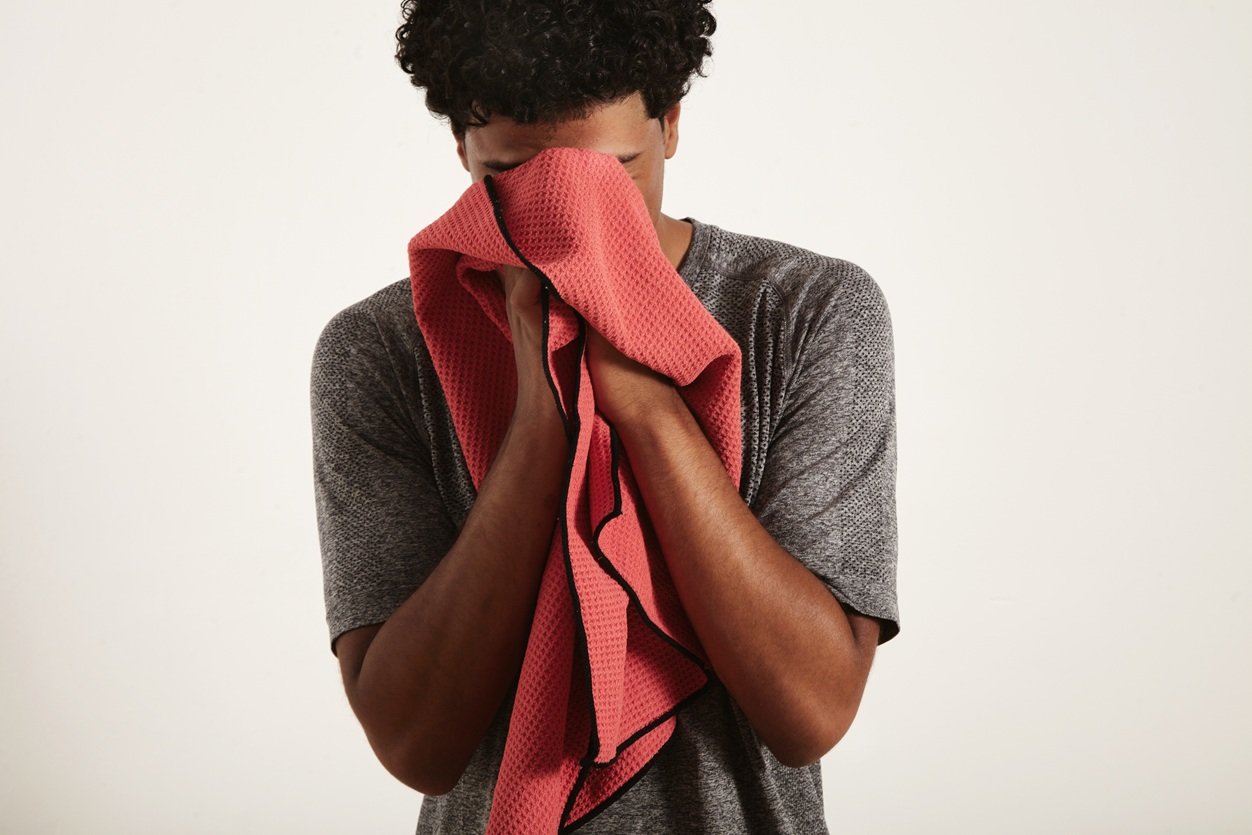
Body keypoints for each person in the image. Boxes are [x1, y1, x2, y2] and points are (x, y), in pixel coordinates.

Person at [309, 1, 900, 832]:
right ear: (461, 148)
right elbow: (417, 742)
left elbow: (810, 712)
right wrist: (537, 429)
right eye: (515, 178)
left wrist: (643, 396)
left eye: (613, 173)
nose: (571, 223)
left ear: (671, 124)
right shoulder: (380, 349)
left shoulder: (804, 312)